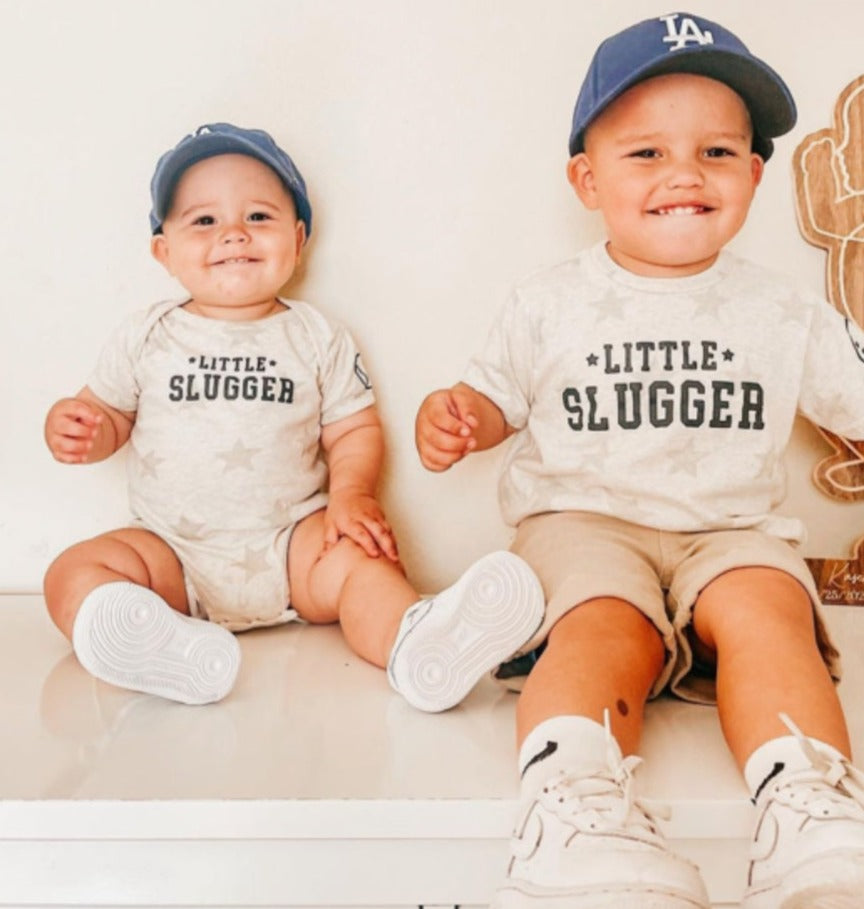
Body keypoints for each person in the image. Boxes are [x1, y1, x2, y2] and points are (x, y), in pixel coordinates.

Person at [415, 13, 864, 909]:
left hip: (731, 530)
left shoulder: (780, 309)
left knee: (768, 608)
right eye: (646, 153)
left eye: (716, 152)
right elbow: (491, 398)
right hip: (581, 525)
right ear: (586, 178)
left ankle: (810, 809)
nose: (684, 173)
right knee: (604, 624)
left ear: (753, 175)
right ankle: (573, 812)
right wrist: (457, 418)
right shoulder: (548, 300)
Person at [44, 122, 543, 710]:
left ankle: (415, 642)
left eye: (258, 216)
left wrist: (351, 495)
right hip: (171, 553)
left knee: (363, 564)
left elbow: (353, 430)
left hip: (295, 549)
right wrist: (82, 428)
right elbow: (107, 413)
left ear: (298, 238)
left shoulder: (316, 335)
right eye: (203, 221)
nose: (233, 233)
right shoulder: (147, 333)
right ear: (164, 251)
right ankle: (156, 644)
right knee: (72, 572)